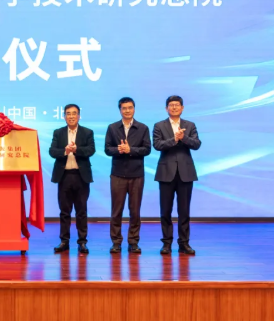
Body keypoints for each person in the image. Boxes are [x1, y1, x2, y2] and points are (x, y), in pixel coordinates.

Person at [153, 95, 201, 255]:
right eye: (171, 105)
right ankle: (166, 243)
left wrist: (183, 138)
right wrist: (174, 139)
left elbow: (196, 144)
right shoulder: (159, 125)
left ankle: (184, 243)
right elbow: (157, 145)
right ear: (166, 108)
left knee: (184, 211)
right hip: (166, 173)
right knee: (165, 211)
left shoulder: (190, 125)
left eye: (177, 105)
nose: (174, 107)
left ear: (182, 108)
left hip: (185, 173)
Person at [104, 97, 151, 254]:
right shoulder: (112, 128)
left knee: (135, 211)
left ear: (134, 109)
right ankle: (116, 242)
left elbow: (147, 149)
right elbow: (107, 149)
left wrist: (131, 150)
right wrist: (119, 150)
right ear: (120, 110)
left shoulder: (142, 128)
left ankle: (133, 241)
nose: (127, 110)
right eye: (124, 108)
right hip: (117, 175)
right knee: (116, 211)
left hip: (136, 175)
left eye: (130, 107)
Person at [49, 104, 96, 254]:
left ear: (79, 116)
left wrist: (77, 150)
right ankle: (64, 241)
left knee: (81, 211)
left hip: (81, 177)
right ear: (64, 116)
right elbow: (52, 151)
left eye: (74, 113)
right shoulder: (58, 133)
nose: (71, 116)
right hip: (64, 176)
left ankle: (82, 242)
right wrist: (65, 151)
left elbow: (91, 150)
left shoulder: (87, 132)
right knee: (65, 211)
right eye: (68, 114)